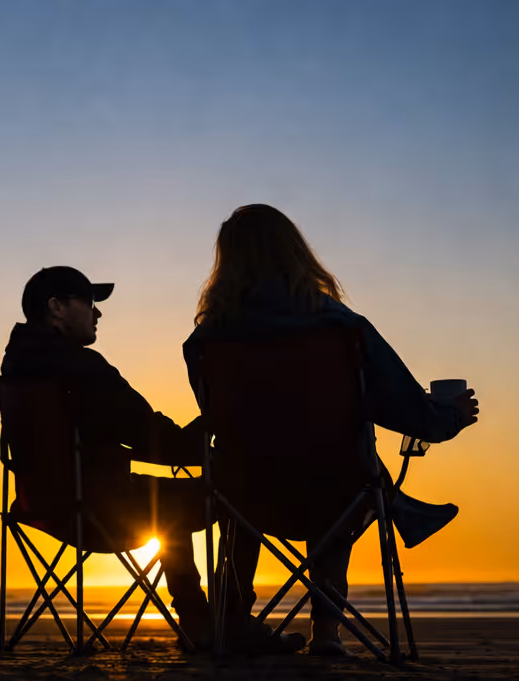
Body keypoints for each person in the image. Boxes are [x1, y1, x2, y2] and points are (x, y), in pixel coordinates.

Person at [183, 205, 480, 656]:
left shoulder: (205, 343)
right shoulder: (342, 328)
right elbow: (407, 410)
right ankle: (326, 634)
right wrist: (450, 415)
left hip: (244, 496)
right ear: (297, 254)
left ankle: (232, 621)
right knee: (342, 473)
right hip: (334, 491)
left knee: (248, 468)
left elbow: (221, 417)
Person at [1, 266, 303, 654]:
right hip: (102, 509)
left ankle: (197, 619)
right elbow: (153, 437)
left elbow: (134, 439)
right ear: (56, 307)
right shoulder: (83, 368)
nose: (98, 314)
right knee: (235, 492)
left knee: (167, 499)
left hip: (42, 507)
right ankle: (229, 620)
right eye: (90, 303)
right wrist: (213, 426)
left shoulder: (15, 369)